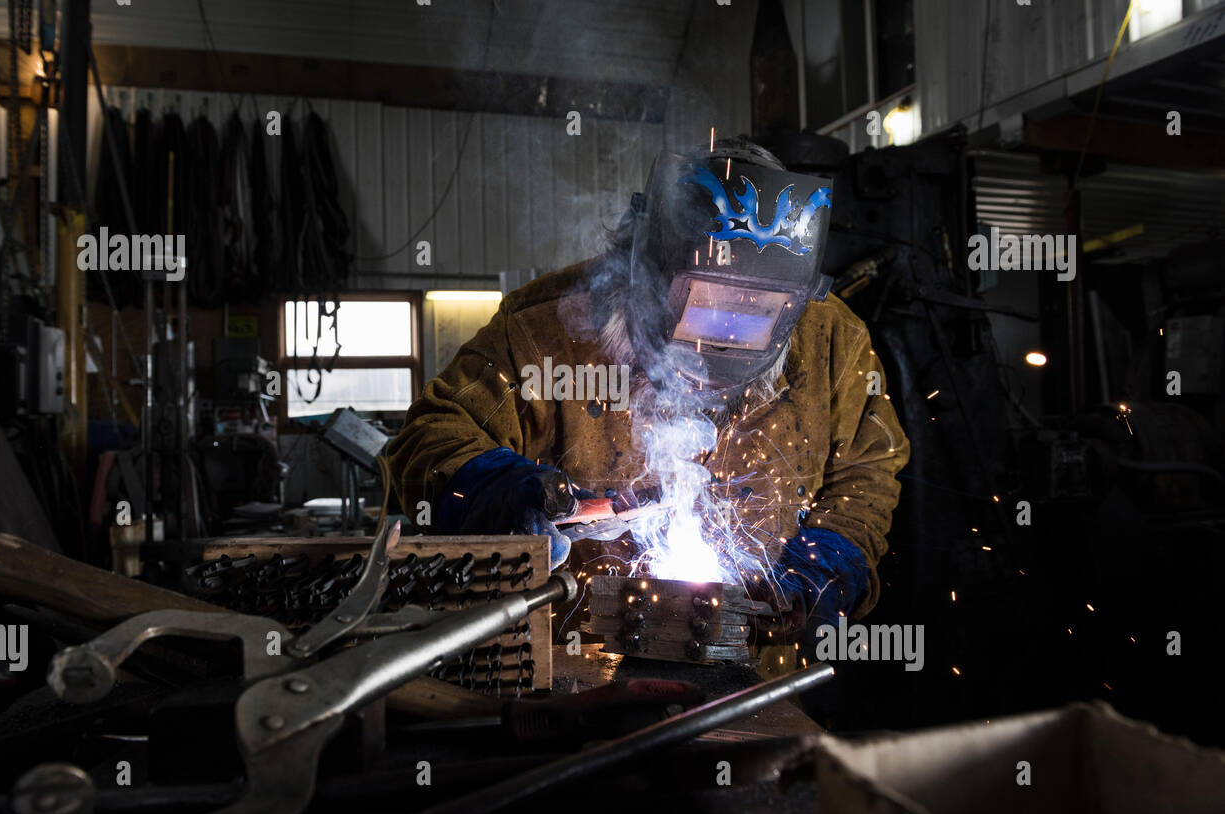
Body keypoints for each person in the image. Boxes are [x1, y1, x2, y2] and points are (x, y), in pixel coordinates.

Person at [385, 138, 909, 646]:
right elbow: (428, 436)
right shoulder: (543, 330)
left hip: (752, 672)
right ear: (646, 276)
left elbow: (866, 473)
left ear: (792, 306)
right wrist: (494, 490)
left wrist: (821, 568)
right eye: (706, 304)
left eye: (756, 312)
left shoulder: (833, 342)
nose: (722, 339)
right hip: (575, 665)